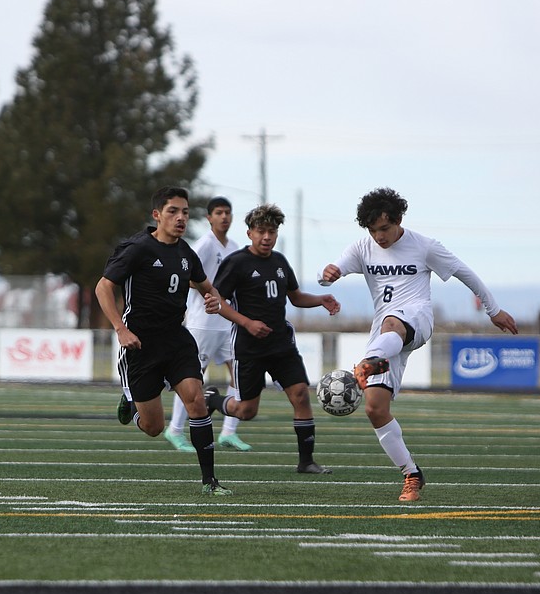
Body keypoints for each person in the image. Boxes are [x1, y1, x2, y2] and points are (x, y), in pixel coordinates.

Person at [319, 188, 517, 502]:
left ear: (398, 220)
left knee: (393, 323)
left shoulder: (424, 247)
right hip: (384, 337)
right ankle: (411, 474)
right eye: (373, 231)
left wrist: (494, 311)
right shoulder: (362, 247)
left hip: (417, 319)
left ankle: (368, 363)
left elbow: (466, 273)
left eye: (384, 229)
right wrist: (327, 274)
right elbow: (333, 269)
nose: (379, 236)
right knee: (374, 409)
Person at [95, 186, 232, 495]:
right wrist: (120, 329)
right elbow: (103, 288)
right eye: (173, 211)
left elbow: (207, 286)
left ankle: (210, 481)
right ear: (157, 215)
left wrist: (213, 299)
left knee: (196, 402)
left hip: (177, 340)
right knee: (154, 428)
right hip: (140, 345)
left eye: (185, 212)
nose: (180, 217)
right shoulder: (137, 248)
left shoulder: (187, 254)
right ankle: (132, 404)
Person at [204, 204, 341, 474]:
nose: (267, 237)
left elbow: (295, 297)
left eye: (272, 231)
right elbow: (217, 301)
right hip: (248, 347)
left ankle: (306, 461)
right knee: (246, 411)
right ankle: (213, 401)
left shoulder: (279, 262)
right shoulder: (237, 262)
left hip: (281, 345)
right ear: (249, 233)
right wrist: (247, 323)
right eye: (261, 231)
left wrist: (320, 300)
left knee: (301, 394)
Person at [164, 196, 252, 454]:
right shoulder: (203, 245)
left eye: (228, 212)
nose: (224, 217)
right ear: (209, 218)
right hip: (203, 323)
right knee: (191, 378)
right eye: (219, 213)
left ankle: (229, 432)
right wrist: (208, 290)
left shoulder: (235, 246)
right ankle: (176, 430)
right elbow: (188, 276)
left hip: (227, 322)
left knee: (239, 372)